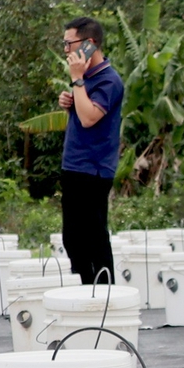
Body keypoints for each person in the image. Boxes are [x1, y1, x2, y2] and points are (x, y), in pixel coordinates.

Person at [56, 17, 123, 287]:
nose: (66, 50)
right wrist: (68, 101)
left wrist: (77, 81)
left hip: (93, 170)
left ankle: (105, 294)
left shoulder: (109, 80)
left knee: (93, 238)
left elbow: (88, 118)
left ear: (88, 44)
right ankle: (88, 289)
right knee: (73, 239)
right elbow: (80, 112)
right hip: (74, 166)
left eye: (69, 43)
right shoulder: (87, 79)